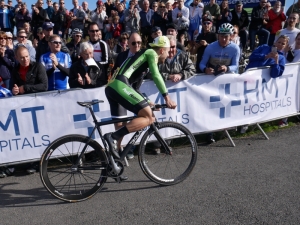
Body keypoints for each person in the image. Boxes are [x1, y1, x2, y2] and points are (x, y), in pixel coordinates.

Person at [104, 35, 177, 165]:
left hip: (112, 87)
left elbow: (134, 89)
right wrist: (167, 97)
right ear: (161, 50)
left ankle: (113, 165)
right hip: (120, 85)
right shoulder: (151, 53)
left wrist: (148, 103)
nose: (168, 54)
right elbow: (156, 75)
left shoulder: (142, 59)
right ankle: (112, 137)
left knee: (120, 128)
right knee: (149, 117)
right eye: (167, 50)